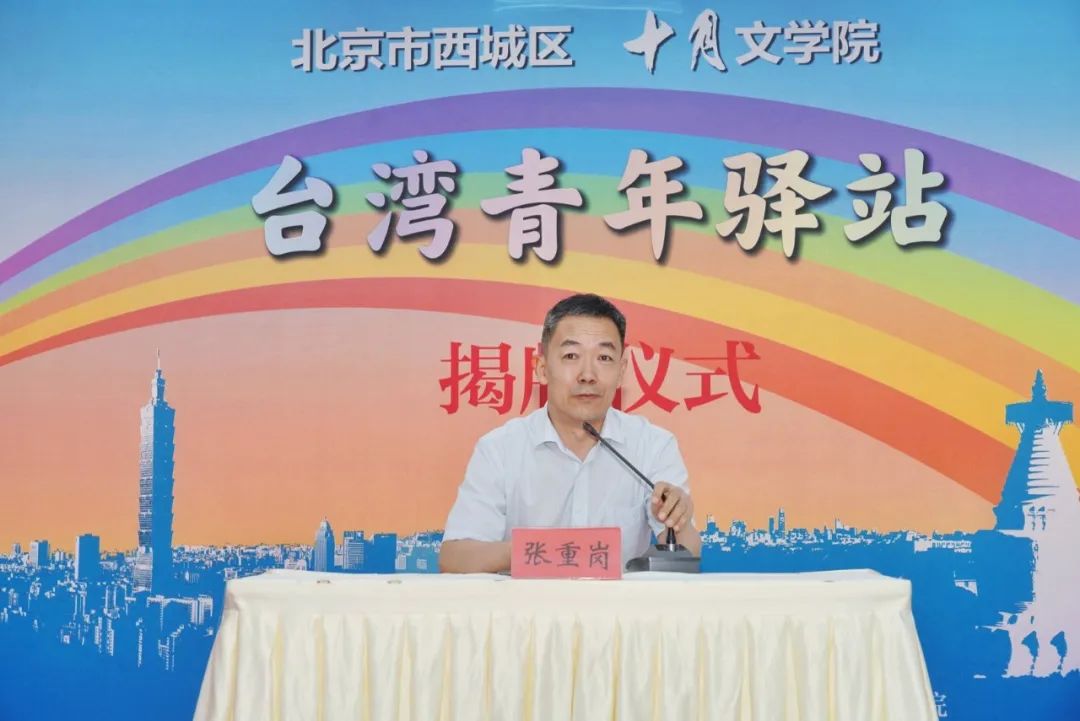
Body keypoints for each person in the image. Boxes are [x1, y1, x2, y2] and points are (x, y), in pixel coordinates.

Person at [439, 293, 699, 573]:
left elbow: (689, 554)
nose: (588, 374)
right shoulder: (500, 449)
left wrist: (679, 520)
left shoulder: (653, 445)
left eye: (604, 357)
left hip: (619, 604)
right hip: (529, 603)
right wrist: (539, 551)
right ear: (542, 369)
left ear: (621, 371)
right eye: (571, 356)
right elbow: (455, 558)